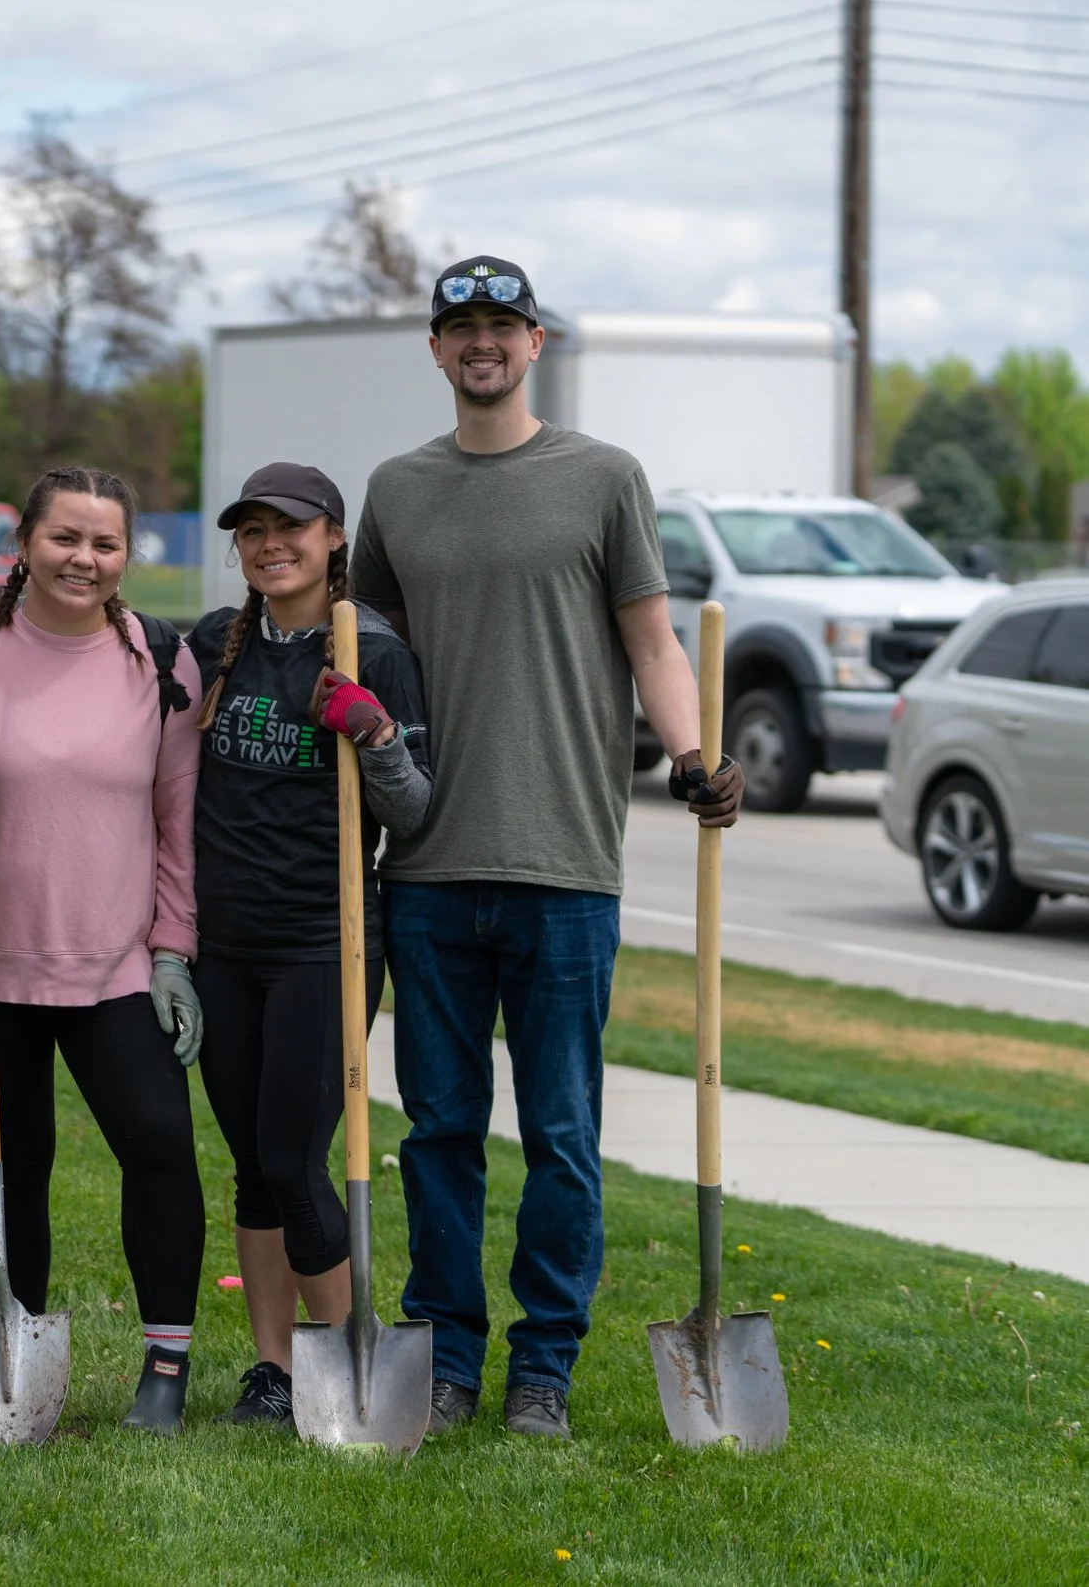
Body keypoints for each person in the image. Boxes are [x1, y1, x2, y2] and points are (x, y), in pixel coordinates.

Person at [350, 257, 743, 1441]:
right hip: (424, 866)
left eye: (501, 327)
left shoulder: (603, 479)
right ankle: (449, 1356)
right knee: (438, 1131)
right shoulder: (396, 491)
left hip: (567, 866)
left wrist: (690, 756)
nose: (481, 344)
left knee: (563, 1134)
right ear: (434, 349)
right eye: (459, 327)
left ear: (536, 344)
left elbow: (653, 644)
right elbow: (370, 650)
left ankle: (544, 1370)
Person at [0, 466, 209, 1434]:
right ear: (24, 543)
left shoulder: (160, 665)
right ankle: (12, 1345)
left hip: (114, 962)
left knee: (158, 1145)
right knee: (10, 1157)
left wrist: (172, 949)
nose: (83, 559)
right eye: (64, 538)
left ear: (125, 556)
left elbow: (176, 823)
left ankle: (165, 1365)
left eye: (104, 543)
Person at [186, 463, 432, 1429]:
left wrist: (373, 735)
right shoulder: (215, 644)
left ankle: (346, 1369)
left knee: (294, 1160)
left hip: (320, 942)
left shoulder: (372, 650)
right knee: (250, 1162)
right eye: (251, 531)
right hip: (223, 943)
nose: (270, 544)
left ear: (334, 537)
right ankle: (275, 1371)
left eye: (290, 527)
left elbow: (411, 813)